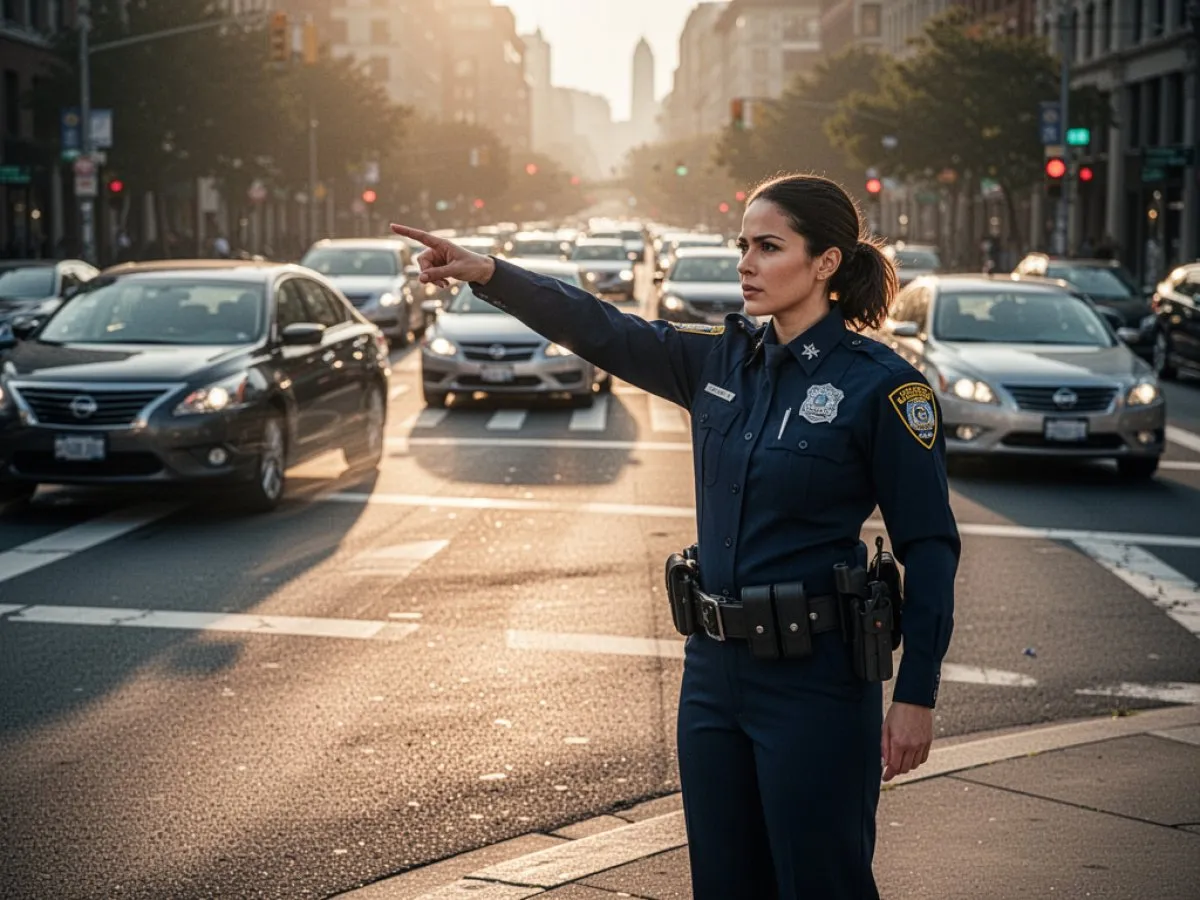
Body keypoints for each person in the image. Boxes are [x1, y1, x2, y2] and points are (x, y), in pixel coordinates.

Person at [391, 173, 959, 900]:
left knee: (823, 884)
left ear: (825, 264)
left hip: (816, 683)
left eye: (768, 246)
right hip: (712, 680)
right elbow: (602, 328)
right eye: (742, 245)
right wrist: (490, 275)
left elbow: (931, 547)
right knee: (723, 885)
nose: (745, 263)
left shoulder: (883, 387)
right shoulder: (720, 361)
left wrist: (917, 693)